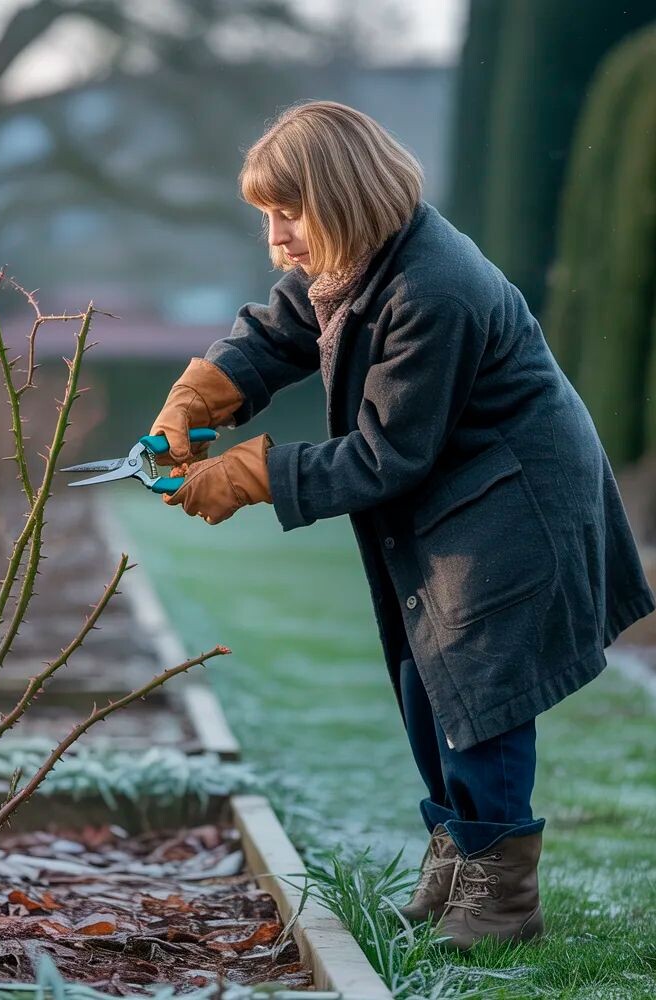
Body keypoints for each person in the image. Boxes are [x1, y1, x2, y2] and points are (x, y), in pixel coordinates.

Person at [148, 100, 656, 951]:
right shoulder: (361, 261)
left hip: (513, 508)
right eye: (266, 217)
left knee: (480, 698)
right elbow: (284, 325)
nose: (275, 239)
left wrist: (248, 474)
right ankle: (455, 862)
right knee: (431, 685)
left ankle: (500, 901)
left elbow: (388, 457)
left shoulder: (434, 290)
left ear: (343, 199)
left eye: (287, 214)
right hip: (462, 501)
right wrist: (202, 396)